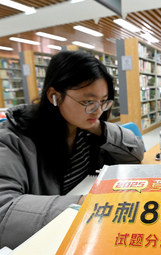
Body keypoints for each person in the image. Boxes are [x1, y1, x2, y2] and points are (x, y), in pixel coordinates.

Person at [0, 51, 145, 249]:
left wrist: (98, 127)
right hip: (48, 241)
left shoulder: (85, 129)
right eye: (88, 102)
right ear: (54, 96)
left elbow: (136, 154)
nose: (99, 111)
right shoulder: (13, 139)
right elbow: (4, 213)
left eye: (104, 101)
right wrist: (83, 204)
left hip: (83, 235)